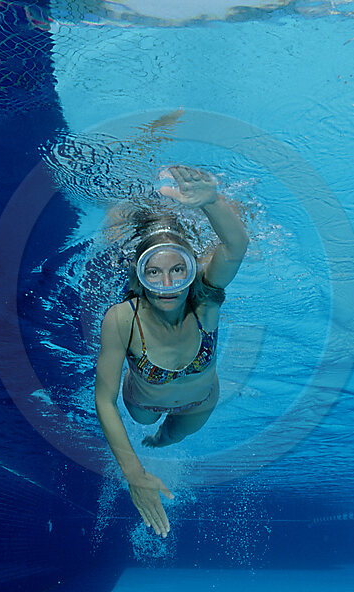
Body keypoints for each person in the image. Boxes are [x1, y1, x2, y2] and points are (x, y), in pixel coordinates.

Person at [95, 165, 249, 538]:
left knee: (171, 437)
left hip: (199, 403)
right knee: (147, 423)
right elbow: (104, 400)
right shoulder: (122, 320)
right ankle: (153, 434)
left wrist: (211, 201)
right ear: (139, 275)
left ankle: (160, 440)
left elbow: (235, 247)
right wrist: (133, 472)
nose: (167, 286)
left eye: (178, 271)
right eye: (155, 273)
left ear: (193, 270)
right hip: (142, 403)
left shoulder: (205, 303)